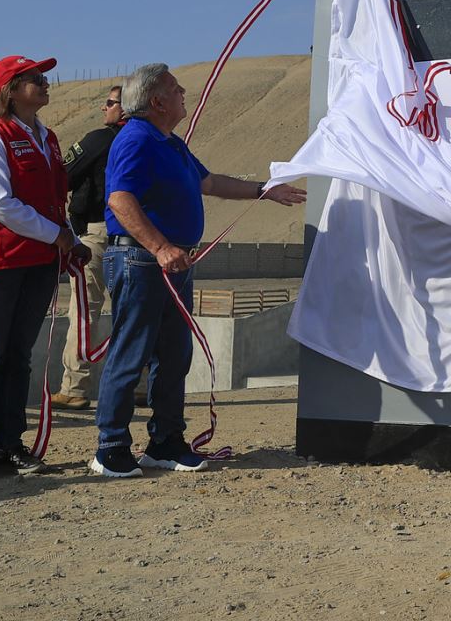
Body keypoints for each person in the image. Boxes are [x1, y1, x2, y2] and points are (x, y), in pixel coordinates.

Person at [91, 63, 307, 478]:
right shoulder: (136, 138)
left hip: (174, 262)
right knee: (131, 351)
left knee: (175, 354)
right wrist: (159, 246)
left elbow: (207, 182)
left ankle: (165, 441)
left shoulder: (170, 143)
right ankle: (111, 446)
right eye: (175, 89)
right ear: (157, 102)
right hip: (142, 259)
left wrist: (263, 190)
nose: (183, 92)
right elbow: (120, 200)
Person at [0, 54, 81, 482]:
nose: (46, 83)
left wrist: (69, 238)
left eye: (44, 77)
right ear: (11, 89)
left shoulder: (48, 139)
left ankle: (11, 443)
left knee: (18, 356)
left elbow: (54, 200)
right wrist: (56, 234)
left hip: (39, 261)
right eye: (35, 79)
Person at [50, 84, 126, 411]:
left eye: (110, 103)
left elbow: (61, 176)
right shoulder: (155, 140)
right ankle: (136, 385)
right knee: (133, 311)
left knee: (84, 311)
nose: (104, 109)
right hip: (139, 237)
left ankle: (75, 386)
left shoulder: (100, 139)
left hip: (97, 234)